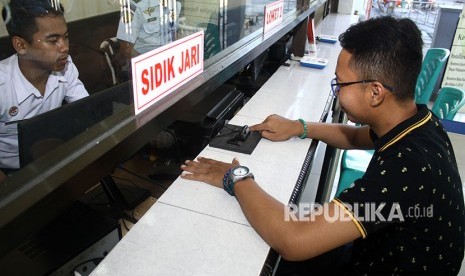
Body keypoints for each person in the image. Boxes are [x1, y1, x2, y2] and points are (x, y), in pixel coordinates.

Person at [180, 16, 465, 274]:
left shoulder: (408, 168)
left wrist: (236, 178)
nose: (337, 90)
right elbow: (354, 137)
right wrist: (300, 127)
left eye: (341, 84)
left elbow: (294, 239)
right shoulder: (418, 121)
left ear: (375, 92)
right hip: (379, 252)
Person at [0, 0, 89, 178]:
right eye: (53, 40)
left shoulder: (65, 66)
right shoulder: (2, 86)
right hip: (12, 174)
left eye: (66, 37)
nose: (64, 47)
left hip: (53, 159)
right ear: (21, 45)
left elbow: (87, 111)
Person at [114, 0, 182, 80]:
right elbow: (126, 49)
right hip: (145, 68)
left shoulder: (176, 4)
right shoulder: (134, 5)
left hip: (170, 64)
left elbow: (175, 35)